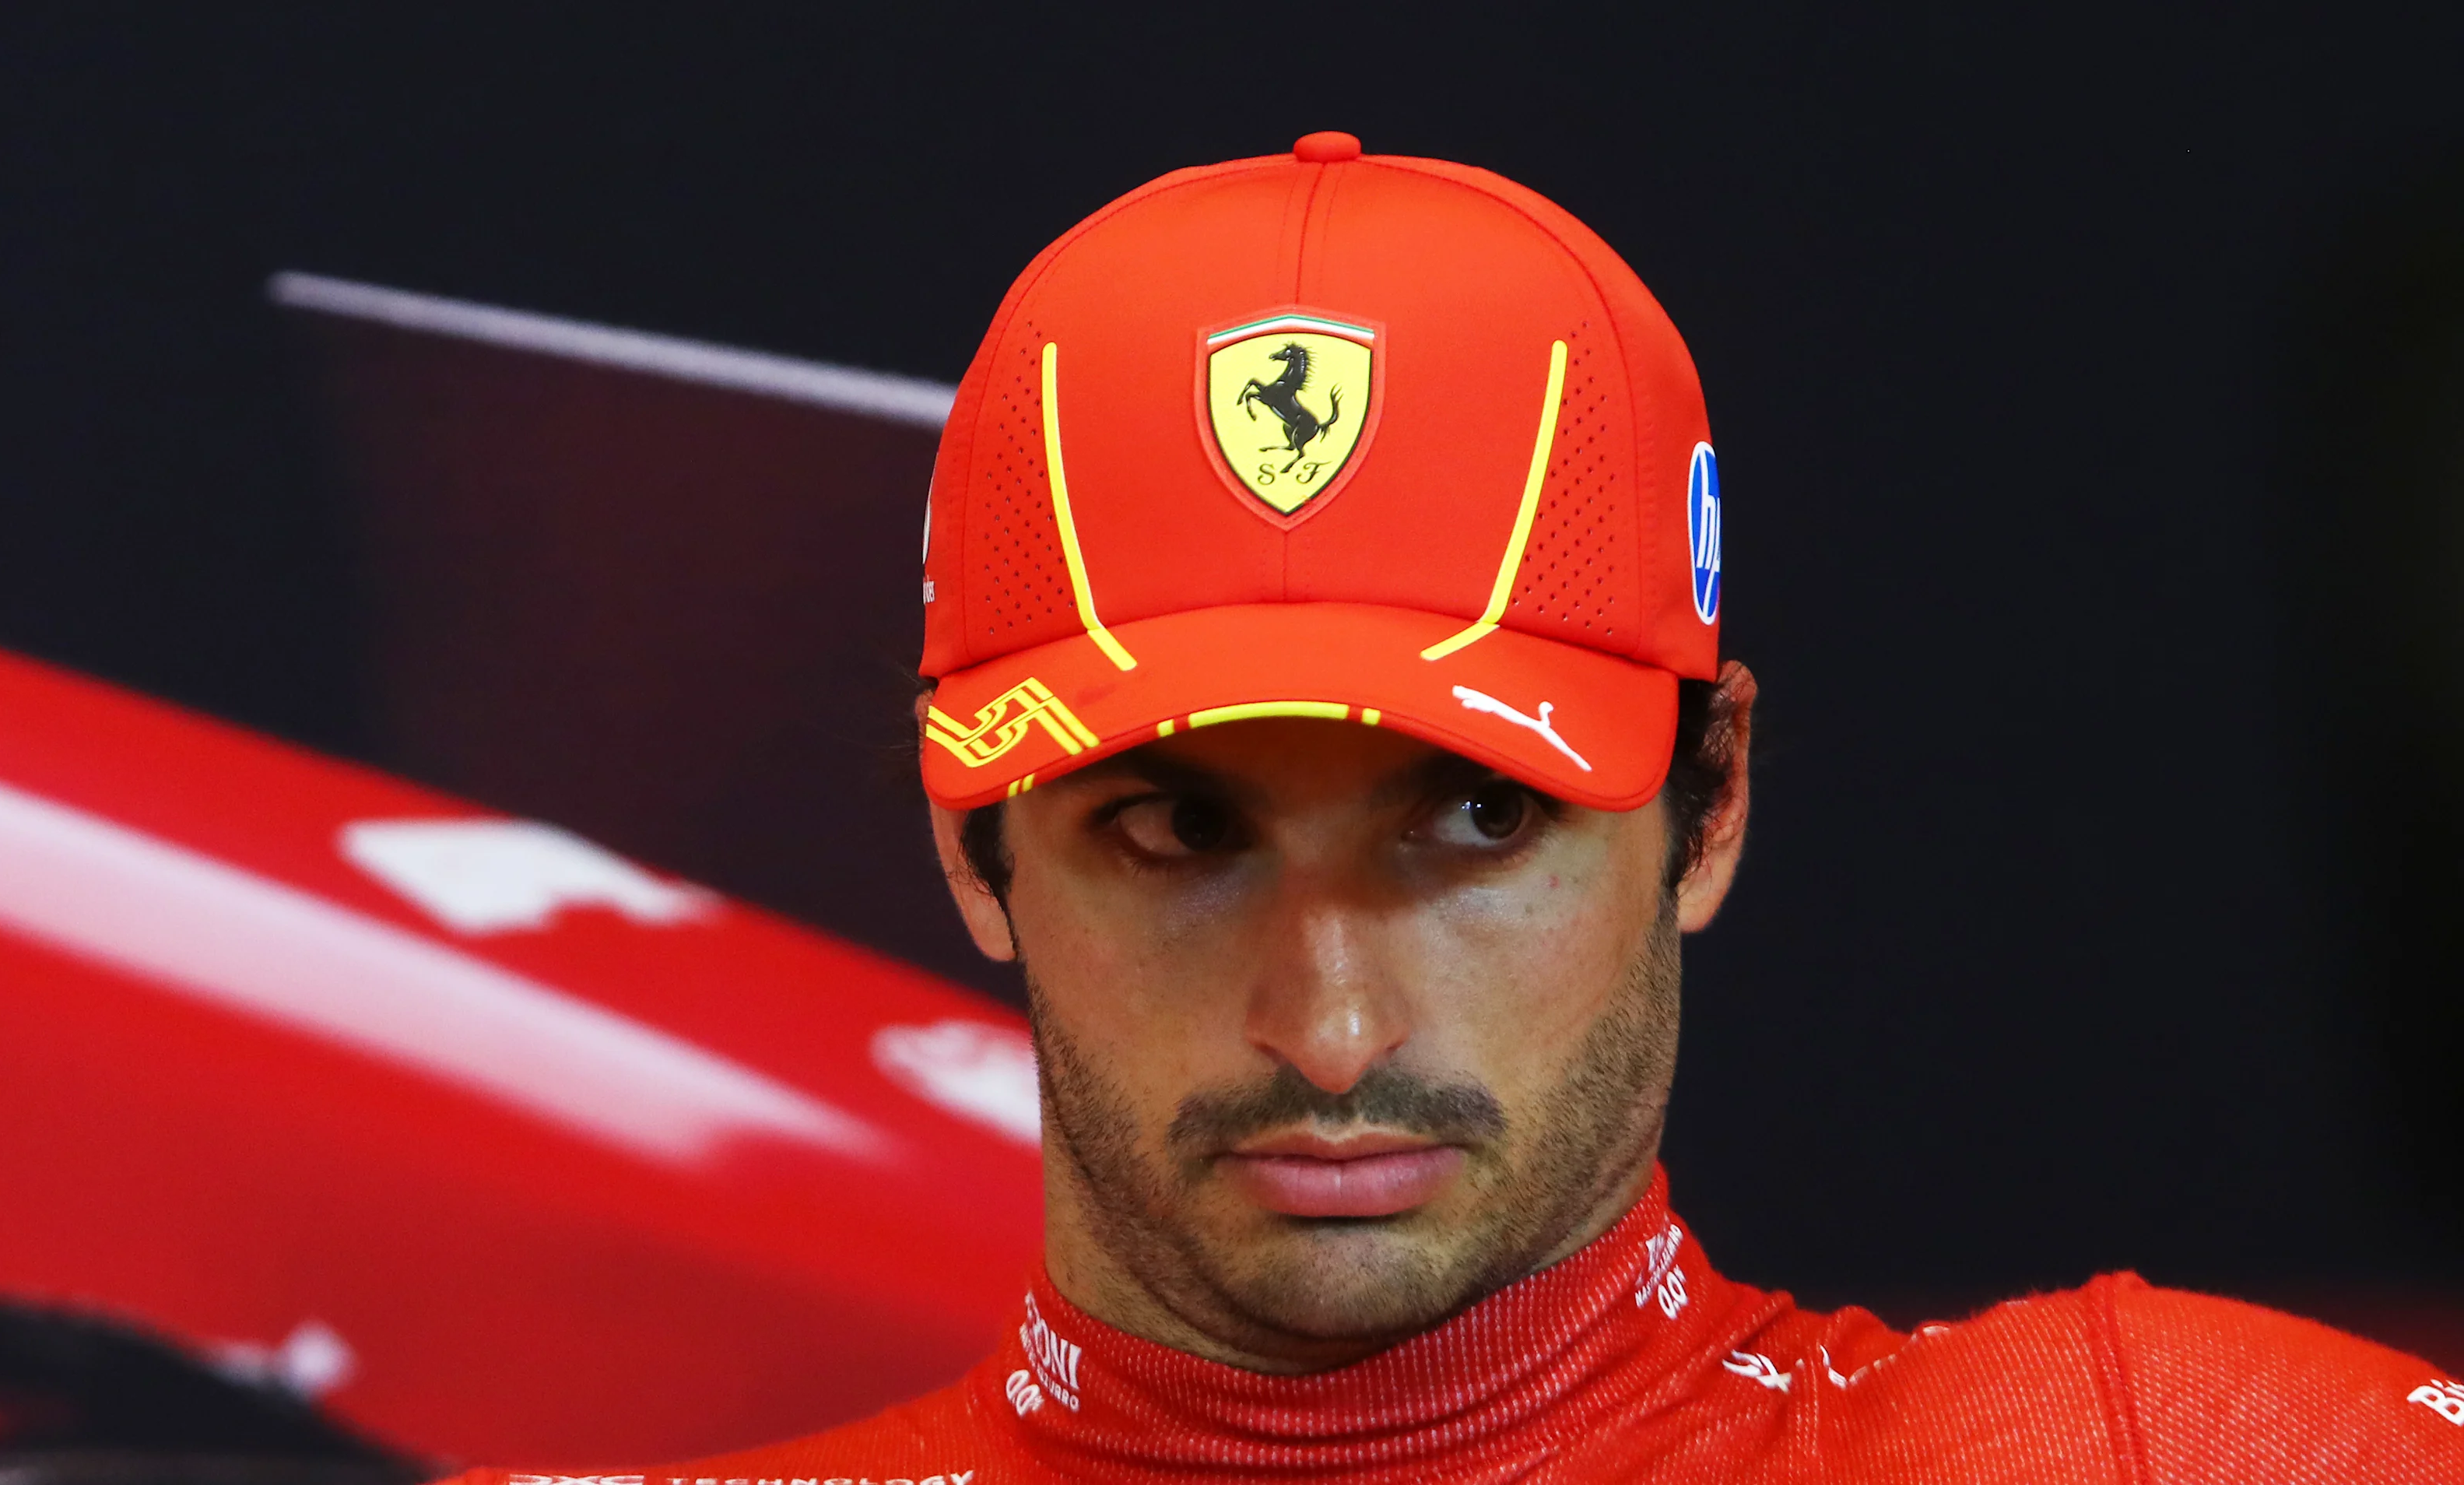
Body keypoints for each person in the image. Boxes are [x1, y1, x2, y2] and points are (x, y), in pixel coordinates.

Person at [449, 132, 2464, 1483]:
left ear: (1710, 805)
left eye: (1481, 818)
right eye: (1180, 832)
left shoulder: (2168, 1453)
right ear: (969, 840)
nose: (1331, 1030)